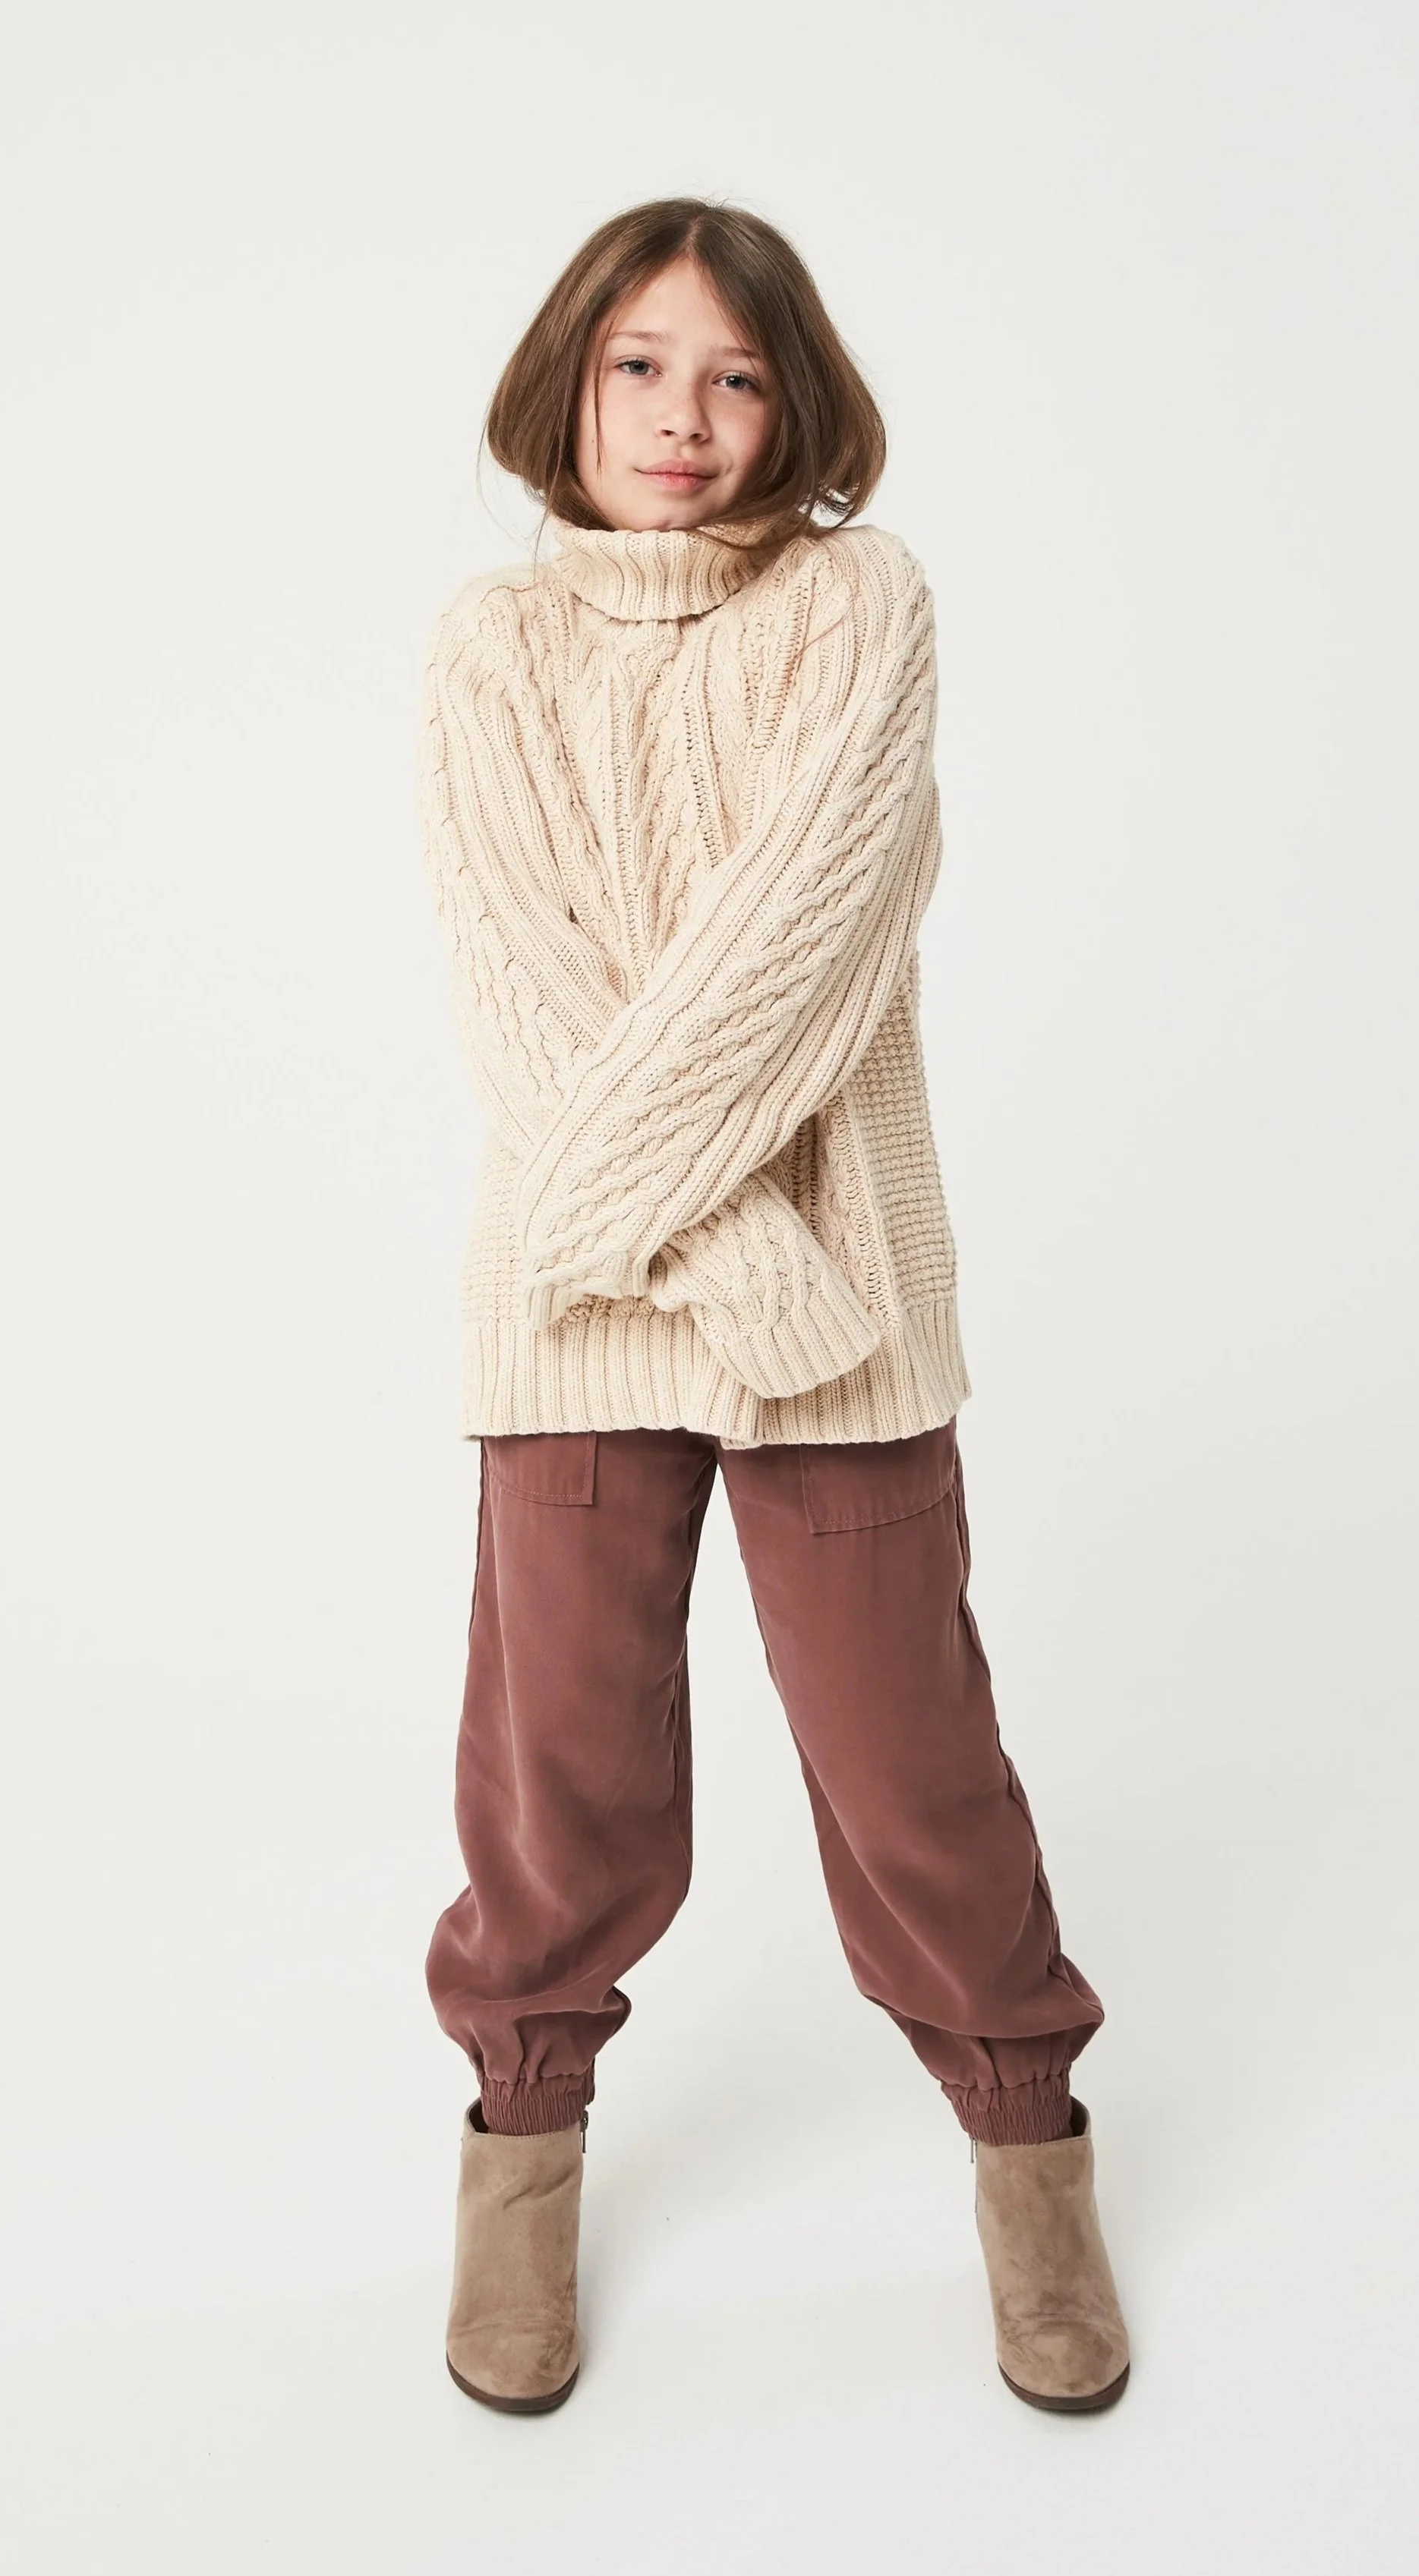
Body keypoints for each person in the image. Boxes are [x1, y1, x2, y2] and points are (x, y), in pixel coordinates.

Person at [415, 197, 1130, 2420]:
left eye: (732, 374)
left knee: (913, 1768)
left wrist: (762, 1280)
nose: (683, 415)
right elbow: (527, 998)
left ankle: (1029, 2152)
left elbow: (805, 951)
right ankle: (520, 2155)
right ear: (567, 378)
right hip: (596, 1316)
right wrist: (751, 1270)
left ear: (792, 398)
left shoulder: (858, 604)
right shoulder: (488, 647)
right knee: (557, 1772)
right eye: (638, 364)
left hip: (839, 1312)